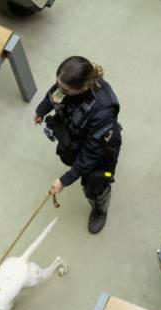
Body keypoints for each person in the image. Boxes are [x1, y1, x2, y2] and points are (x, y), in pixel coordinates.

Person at [34, 56, 122, 234]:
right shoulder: (67, 86)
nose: (60, 90)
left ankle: (99, 209)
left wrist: (65, 180)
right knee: (72, 157)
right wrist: (42, 110)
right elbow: (54, 94)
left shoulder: (102, 111)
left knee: (95, 185)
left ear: (83, 87)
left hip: (100, 148)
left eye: (65, 88)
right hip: (77, 135)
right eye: (58, 83)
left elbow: (90, 154)